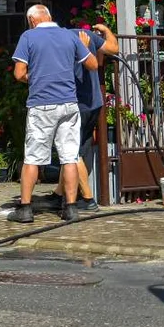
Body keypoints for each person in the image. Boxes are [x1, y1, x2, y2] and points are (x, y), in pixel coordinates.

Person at [9, 5, 99, 223]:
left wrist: (37, 77)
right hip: (69, 104)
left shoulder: (28, 37)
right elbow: (93, 64)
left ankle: (25, 209)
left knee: (32, 159)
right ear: (49, 16)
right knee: (69, 157)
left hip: (42, 105)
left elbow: (19, 73)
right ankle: (70, 209)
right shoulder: (68, 36)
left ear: (32, 21)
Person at [35, 22, 118, 213]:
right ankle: (58, 195)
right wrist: (106, 31)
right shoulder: (85, 34)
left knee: (72, 152)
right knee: (76, 148)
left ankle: (88, 199)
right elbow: (114, 48)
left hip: (74, 104)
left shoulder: (53, 44)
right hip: (94, 103)